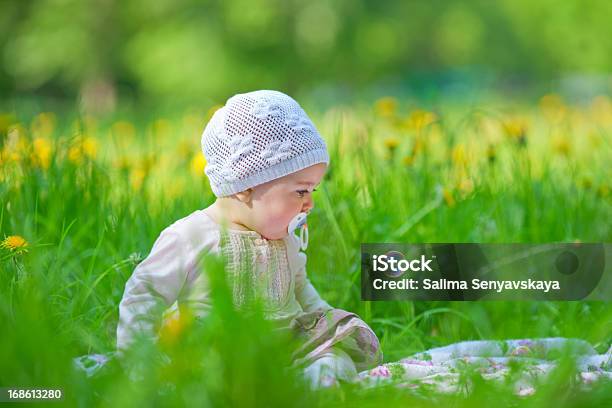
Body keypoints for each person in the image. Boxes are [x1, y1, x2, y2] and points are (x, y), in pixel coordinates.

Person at [116, 90, 383, 388]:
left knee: (334, 360)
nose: (310, 204)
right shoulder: (191, 235)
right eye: (301, 191)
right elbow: (144, 295)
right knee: (205, 375)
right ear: (245, 186)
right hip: (218, 354)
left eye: (313, 191)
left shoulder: (286, 240)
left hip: (288, 350)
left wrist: (326, 320)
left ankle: (312, 385)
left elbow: (300, 289)